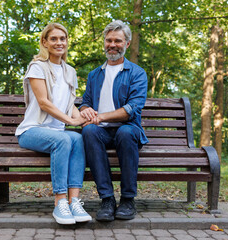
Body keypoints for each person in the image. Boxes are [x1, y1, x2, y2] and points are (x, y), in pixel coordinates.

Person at [15, 23, 92, 225]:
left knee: (77, 138)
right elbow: (44, 103)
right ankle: (60, 202)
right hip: (32, 131)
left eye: (63, 38)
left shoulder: (70, 71)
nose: (59, 42)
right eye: (54, 39)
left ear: (67, 42)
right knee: (63, 140)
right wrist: (71, 121)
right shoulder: (37, 68)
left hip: (57, 132)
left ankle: (74, 201)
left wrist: (85, 119)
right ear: (44, 42)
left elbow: (70, 105)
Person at [80, 20, 148, 221]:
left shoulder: (137, 73)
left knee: (125, 133)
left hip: (128, 128)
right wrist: (86, 111)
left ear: (127, 43)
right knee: (89, 131)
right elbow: (85, 102)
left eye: (117, 40)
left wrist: (100, 116)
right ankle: (107, 199)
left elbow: (131, 109)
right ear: (104, 43)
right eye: (109, 40)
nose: (112, 44)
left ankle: (128, 199)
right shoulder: (94, 74)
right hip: (100, 131)